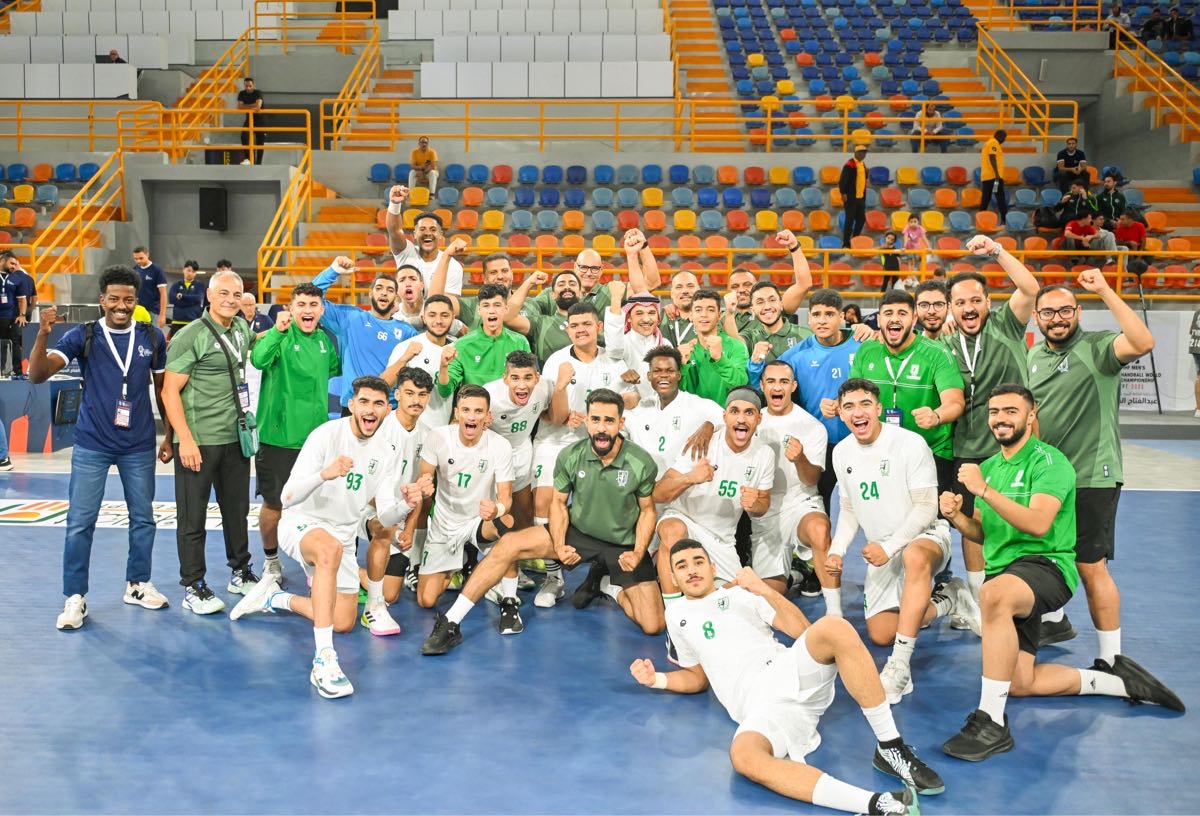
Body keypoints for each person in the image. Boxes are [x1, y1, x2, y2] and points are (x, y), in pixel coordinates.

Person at [940, 384, 1184, 761]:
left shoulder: (1050, 463)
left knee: (994, 595)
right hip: (1006, 573)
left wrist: (984, 491)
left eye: (1010, 411)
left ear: (1030, 415)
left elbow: (1039, 524)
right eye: (994, 412)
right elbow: (983, 532)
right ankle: (1114, 683)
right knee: (1020, 683)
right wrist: (957, 516)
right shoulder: (988, 467)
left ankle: (991, 720)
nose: (1001, 419)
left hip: (1047, 566)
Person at [633, 541, 943, 815]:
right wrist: (656, 679)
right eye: (681, 566)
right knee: (744, 757)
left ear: (713, 567)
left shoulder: (742, 592)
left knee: (833, 627)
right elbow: (697, 677)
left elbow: (802, 632)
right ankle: (879, 805)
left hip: (787, 671)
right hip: (760, 708)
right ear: (672, 577)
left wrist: (765, 590)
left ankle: (890, 747)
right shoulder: (676, 615)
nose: (691, 570)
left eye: (698, 561)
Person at [229, 377, 429, 698]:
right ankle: (324, 659)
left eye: (378, 403)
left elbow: (386, 515)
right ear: (351, 405)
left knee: (342, 621)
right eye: (364, 402)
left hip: (343, 537)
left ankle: (274, 598)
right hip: (301, 523)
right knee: (328, 550)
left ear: (387, 409)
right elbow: (287, 497)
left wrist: (407, 503)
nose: (371, 409)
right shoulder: (325, 435)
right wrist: (325, 474)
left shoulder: (388, 451)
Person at [420, 389, 663, 654]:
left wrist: (638, 552)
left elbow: (647, 511)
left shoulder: (640, 462)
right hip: (579, 532)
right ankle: (451, 621)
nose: (601, 428)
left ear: (621, 423)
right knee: (509, 544)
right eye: (595, 419)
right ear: (587, 420)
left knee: (652, 624)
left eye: (609, 420)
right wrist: (558, 545)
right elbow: (558, 503)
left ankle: (606, 585)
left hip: (622, 544)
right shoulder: (571, 455)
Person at [27, 267, 173, 629]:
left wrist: (169, 436)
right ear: (102, 300)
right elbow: (38, 375)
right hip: (92, 443)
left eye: (128, 299)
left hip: (138, 443)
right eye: (114, 299)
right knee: (80, 522)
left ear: (136, 301)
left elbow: (163, 391)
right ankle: (75, 597)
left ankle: (137, 584)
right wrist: (43, 334)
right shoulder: (83, 334)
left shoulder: (152, 336)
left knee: (143, 519)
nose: (121, 306)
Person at [1027, 270, 1156, 659]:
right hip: (1049, 479)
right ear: (1036, 317)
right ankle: (1054, 620)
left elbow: (1143, 342)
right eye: (1048, 312)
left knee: (1089, 566)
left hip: (1091, 475)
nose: (1057, 319)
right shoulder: (1033, 356)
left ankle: (1112, 658)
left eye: (1065, 310)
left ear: (1078, 313)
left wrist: (1104, 290)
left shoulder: (1099, 348)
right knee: (1044, 554)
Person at [829, 379, 978, 705]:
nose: (858, 412)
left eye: (865, 404)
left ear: (878, 408)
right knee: (882, 633)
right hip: (882, 548)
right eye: (849, 406)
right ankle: (950, 599)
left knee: (914, 557)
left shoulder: (910, 444)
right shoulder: (841, 452)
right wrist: (837, 550)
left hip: (925, 536)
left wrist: (889, 547)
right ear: (840, 413)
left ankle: (899, 666)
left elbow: (926, 507)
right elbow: (849, 508)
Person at [942, 237, 1040, 605]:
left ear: (988, 302)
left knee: (1022, 522)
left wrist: (997, 251)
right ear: (951, 308)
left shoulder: (1007, 324)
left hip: (1015, 449)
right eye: (960, 303)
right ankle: (979, 601)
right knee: (972, 527)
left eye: (975, 300)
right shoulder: (945, 344)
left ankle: (1033, 601)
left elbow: (1030, 288)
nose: (968, 308)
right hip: (968, 448)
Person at [161, 268, 259, 614]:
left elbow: (253, 348)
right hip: (199, 440)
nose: (231, 300)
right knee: (193, 517)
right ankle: (193, 585)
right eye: (224, 294)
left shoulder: (242, 328)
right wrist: (184, 440)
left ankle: (240, 571)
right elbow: (169, 391)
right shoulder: (190, 335)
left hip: (235, 437)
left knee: (237, 510)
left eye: (237, 295)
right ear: (209, 296)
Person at [529, 302, 634, 605]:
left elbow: (631, 402)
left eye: (586, 324)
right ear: (568, 330)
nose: (580, 330)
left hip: (599, 442)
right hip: (557, 439)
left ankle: (604, 572)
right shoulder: (556, 361)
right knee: (544, 501)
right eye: (574, 325)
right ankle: (554, 578)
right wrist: (564, 410)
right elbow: (549, 414)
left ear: (599, 327)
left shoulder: (615, 361)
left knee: (614, 502)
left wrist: (600, 417)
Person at [250, 284, 340, 589]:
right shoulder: (279, 336)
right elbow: (258, 360)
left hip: (315, 441)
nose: (308, 310)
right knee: (274, 504)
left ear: (322, 310)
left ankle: (312, 561)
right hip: (278, 439)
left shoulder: (325, 341)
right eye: (301, 304)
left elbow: (334, 370)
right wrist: (276, 331)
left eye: (314, 305)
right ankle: (271, 559)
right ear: (291, 308)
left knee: (315, 507)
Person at [654, 388, 776, 594]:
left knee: (742, 595)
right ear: (724, 416)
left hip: (722, 540)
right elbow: (658, 493)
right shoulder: (702, 444)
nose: (741, 419)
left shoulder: (765, 454)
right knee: (672, 530)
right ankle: (672, 606)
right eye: (735, 411)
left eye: (749, 412)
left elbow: (763, 504)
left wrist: (755, 504)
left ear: (759, 419)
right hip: (685, 520)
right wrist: (689, 478)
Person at [849, 289, 965, 500]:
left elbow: (955, 402)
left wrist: (936, 416)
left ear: (914, 318)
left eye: (902, 313)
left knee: (927, 517)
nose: (894, 318)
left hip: (930, 451)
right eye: (888, 313)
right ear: (879, 319)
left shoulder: (937, 354)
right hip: (880, 451)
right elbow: (852, 397)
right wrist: (836, 405)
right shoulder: (866, 351)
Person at [412, 385, 514, 611]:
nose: (471, 417)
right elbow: (424, 477)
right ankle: (461, 563)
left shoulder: (500, 445)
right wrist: (424, 485)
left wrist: (496, 509)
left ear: (487, 416)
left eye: (478, 411)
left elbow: (506, 497)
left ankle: (510, 599)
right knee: (426, 600)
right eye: (466, 410)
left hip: (479, 521)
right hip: (445, 525)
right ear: (457, 413)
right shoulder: (438, 437)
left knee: (506, 523)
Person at [780, 289, 863, 520]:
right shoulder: (796, 355)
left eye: (829, 314)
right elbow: (769, 382)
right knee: (823, 509)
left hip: (859, 441)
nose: (822, 320)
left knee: (861, 507)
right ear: (809, 318)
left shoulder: (862, 345)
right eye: (816, 314)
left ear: (841, 317)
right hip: (819, 446)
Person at [358, 366, 434, 616]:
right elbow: (365, 486)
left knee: (390, 594)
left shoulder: (428, 436)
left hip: (402, 513)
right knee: (386, 528)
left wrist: (409, 527)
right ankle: (342, 570)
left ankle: (352, 572)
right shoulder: (379, 429)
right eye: (409, 393)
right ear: (398, 394)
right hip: (368, 509)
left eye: (422, 394)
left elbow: (420, 490)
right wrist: (392, 517)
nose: (416, 400)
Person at [757, 361, 832, 603]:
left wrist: (800, 459)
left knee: (819, 530)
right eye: (771, 381)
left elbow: (811, 480)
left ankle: (835, 612)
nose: (777, 387)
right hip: (764, 510)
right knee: (769, 596)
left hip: (801, 502)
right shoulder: (751, 422)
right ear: (762, 386)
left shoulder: (812, 426)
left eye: (784, 381)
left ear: (793, 386)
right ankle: (796, 575)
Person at [311, 255, 417, 411]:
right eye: (379, 288)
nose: (384, 293)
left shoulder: (407, 332)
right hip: (354, 406)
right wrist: (333, 271)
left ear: (396, 298)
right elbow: (311, 299)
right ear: (370, 294)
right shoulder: (350, 318)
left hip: (389, 408)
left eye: (390, 290)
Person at [624, 346, 723, 479]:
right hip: (646, 486)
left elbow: (727, 418)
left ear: (678, 375)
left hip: (682, 486)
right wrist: (620, 385)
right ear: (649, 376)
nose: (664, 375)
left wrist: (709, 425)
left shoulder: (696, 404)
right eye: (657, 371)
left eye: (670, 371)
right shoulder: (642, 409)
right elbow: (614, 425)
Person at [485, 351, 552, 531]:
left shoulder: (545, 387)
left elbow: (551, 413)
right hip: (491, 458)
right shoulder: (489, 396)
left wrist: (569, 417)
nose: (522, 385)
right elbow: (458, 422)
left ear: (537, 378)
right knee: (494, 517)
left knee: (524, 513)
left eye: (528, 377)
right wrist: (480, 426)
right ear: (505, 378)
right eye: (515, 378)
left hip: (522, 452)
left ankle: (525, 548)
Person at [436, 283, 530, 399]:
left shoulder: (520, 342)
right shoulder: (462, 345)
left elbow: (528, 381)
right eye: (486, 305)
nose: (491, 311)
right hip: (474, 409)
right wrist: (443, 367)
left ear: (506, 309)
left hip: (511, 408)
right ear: (479, 310)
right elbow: (445, 391)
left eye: (497, 305)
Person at [382, 293, 456, 432]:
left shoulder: (459, 348)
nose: (438, 321)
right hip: (409, 430)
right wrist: (404, 358)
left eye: (445, 315)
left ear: (453, 317)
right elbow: (383, 385)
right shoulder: (407, 347)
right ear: (423, 318)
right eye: (432, 315)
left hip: (443, 431)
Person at [385, 187, 463, 295]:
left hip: (435, 306)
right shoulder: (406, 253)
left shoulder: (453, 266)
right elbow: (394, 230)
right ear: (414, 235)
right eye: (422, 229)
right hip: (405, 306)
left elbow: (447, 301)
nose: (427, 233)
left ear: (441, 234)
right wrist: (394, 204)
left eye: (433, 229)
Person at [679, 288, 749, 403]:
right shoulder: (686, 351)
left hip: (726, 413)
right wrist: (682, 367)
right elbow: (680, 393)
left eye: (710, 310)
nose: (704, 315)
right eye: (698, 310)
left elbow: (741, 384)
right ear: (691, 316)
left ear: (719, 315)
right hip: (695, 414)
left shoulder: (736, 346)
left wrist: (719, 359)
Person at [505, 269, 581, 363]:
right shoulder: (540, 324)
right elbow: (507, 317)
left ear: (580, 293)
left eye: (572, 284)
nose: (567, 287)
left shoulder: (591, 322)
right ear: (552, 295)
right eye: (561, 284)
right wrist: (529, 282)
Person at [430, 250, 513, 329]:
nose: (500, 276)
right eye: (493, 272)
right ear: (484, 278)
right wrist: (446, 256)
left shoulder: (522, 303)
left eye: (505, 271)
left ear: (512, 274)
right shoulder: (470, 305)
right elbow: (435, 301)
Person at [0, 254, 28, 378]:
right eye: (11, 263)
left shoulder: (16, 278)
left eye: (15, 264)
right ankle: (2, 371)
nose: (14, 266)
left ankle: (18, 372)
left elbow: (22, 299)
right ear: (2, 261)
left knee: (15, 343)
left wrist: (22, 315)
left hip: (11, 317)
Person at [839, 143, 869, 248]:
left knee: (861, 219)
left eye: (864, 153)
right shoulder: (849, 165)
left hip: (860, 197)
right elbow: (843, 180)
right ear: (855, 153)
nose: (863, 155)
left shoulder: (863, 165)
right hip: (851, 198)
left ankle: (855, 239)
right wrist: (843, 193)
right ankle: (846, 243)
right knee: (849, 221)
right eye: (860, 152)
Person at [131, 246, 167, 329]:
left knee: (153, 335)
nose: (138, 261)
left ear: (147, 255)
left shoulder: (157, 270)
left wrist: (162, 314)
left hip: (153, 311)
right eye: (136, 259)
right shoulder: (135, 270)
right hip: (138, 310)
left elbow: (163, 293)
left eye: (141, 258)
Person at [660, 270, 700, 346]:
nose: (685, 291)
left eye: (690, 286)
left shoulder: (711, 317)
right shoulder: (660, 316)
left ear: (698, 290)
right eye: (679, 287)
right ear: (672, 293)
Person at [167, 260, 206, 335]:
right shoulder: (176, 285)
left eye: (193, 271)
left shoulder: (199, 285)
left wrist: (182, 296)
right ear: (183, 270)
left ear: (195, 273)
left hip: (193, 322)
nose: (190, 273)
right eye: (188, 270)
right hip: (177, 322)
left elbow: (198, 298)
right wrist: (191, 302)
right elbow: (171, 299)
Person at [978, 129, 1008, 222]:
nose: (1004, 140)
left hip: (987, 178)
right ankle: (1004, 220)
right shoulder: (994, 143)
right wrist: (997, 174)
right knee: (1000, 197)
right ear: (999, 136)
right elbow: (992, 157)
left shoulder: (988, 143)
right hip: (994, 178)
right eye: (1004, 137)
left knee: (986, 199)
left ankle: (980, 220)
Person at [237, 77, 264, 165]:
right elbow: (239, 107)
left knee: (259, 142)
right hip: (249, 119)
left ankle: (258, 163)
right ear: (244, 86)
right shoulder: (242, 93)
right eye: (246, 86)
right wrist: (253, 106)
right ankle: (248, 159)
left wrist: (246, 106)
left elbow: (258, 106)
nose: (248, 88)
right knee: (244, 137)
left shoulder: (257, 93)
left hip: (260, 119)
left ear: (253, 85)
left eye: (250, 86)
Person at [1190, 307, 1200, 418]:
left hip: (1195, 346)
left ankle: (1198, 407)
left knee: (1199, 376)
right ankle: (1199, 408)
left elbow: (1191, 330)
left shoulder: (1198, 311)